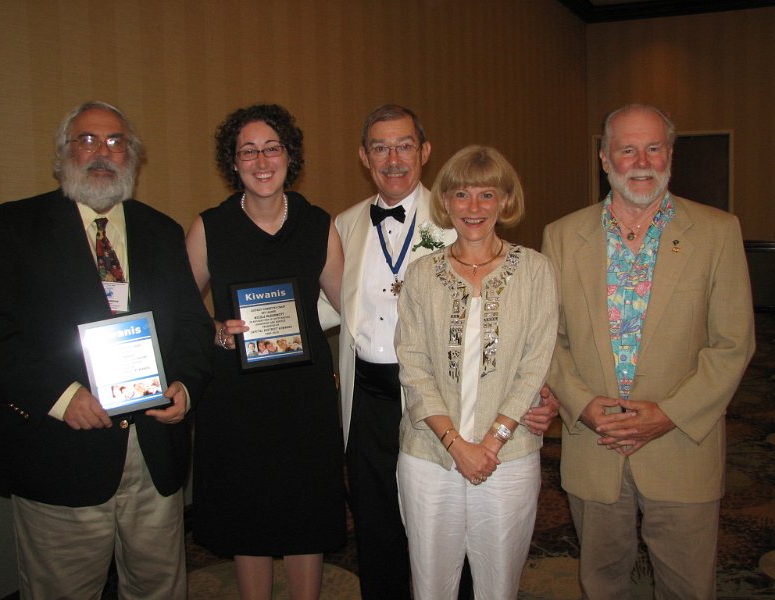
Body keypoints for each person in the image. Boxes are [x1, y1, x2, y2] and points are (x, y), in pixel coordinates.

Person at [0, 101, 214, 599]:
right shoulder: (12, 227)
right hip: (60, 450)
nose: (102, 152)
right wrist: (62, 398)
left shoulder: (163, 231)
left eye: (115, 141)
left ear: (133, 156)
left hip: (153, 451)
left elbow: (193, 326)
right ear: (64, 152)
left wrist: (186, 388)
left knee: (158, 588)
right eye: (87, 140)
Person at [322, 104, 560, 600]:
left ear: (424, 152)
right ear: (364, 157)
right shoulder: (343, 225)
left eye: (404, 145)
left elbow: (524, 339)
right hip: (372, 397)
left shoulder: (458, 218)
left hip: (467, 403)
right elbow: (328, 304)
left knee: (477, 550)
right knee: (377, 527)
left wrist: (533, 401)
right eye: (380, 148)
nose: (393, 158)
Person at [541, 103, 755, 599]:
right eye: (627, 149)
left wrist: (669, 414)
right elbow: (547, 338)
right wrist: (584, 406)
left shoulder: (718, 232)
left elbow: (733, 343)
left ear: (670, 154)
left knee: (687, 588)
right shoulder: (561, 236)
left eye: (654, 148)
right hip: (595, 445)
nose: (642, 160)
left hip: (681, 445)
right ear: (604, 158)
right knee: (602, 585)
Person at [186, 103, 346, 600]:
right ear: (233, 163)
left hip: (304, 396)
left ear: (288, 156)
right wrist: (216, 331)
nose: (260, 161)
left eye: (271, 148)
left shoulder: (318, 224)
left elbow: (352, 307)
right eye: (247, 151)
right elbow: (182, 314)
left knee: (306, 512)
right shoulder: (209, 227)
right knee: (246, 513)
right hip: (236, 399)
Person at [395, 145, 557, 599]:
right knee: (430, 586)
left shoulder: (536, 271)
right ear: (445, 201)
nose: (473, 207)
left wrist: (490, 442)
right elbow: (413, 366)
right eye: (462, 194)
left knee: (499, 585)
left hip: (508, 456)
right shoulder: (422, 275)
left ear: (506, 201)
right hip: (429, 454)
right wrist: (455, 443)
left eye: (487, 195)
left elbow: (534, 363)